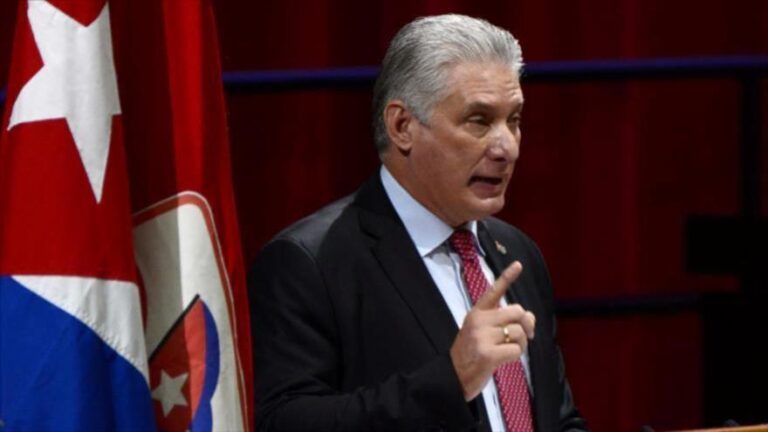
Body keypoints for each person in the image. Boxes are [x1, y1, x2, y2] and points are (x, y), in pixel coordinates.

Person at [248, 14, 588, 432]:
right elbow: (284, 423)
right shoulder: (310, 263)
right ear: (402, 126)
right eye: (479, 121)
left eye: (513, 120)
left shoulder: (518, 253)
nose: (507, 148)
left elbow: (557, 420)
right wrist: (451, 380)